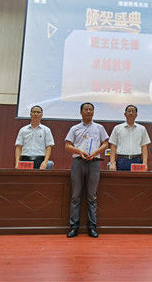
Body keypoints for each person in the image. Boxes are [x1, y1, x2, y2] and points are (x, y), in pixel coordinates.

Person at [65, 102, 109, 238]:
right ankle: (74, 226)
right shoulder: (75, 128)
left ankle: (92, 226)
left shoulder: (99, 127)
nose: (88, 112)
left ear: (93, 112)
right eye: (86, 109)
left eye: (91, 110)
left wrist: (95, 153)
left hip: (94, 163)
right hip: (78, 162)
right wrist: (79, 150)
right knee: (75, 196)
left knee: (92, 196)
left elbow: (106, 143)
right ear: (81, 112)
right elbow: (67, 146)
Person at [109, 105, 151, 171]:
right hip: (122, 160)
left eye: (133, 111)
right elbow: (113, 146)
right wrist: (112, 163)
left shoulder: (142, 129)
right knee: (121, 180)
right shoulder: (117, 128)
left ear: (136, 115)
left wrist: (145, 163)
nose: (131, 113)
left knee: (136, 181)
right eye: (129, 111)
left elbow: (144, 147)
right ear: (125, 114)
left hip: (137, 160)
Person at [15, 105, 54, 169]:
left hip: (40, 160)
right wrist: (17, 163)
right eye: (34, 112)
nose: (36, 114)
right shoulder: (23, 130)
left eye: (38, 112)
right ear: (30, 114)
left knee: (38, 179)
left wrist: (45, 162)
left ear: (41, 115)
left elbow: (49, 147)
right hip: (25, 159)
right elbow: (18, 147)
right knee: (24, 179)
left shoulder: (46, 130)